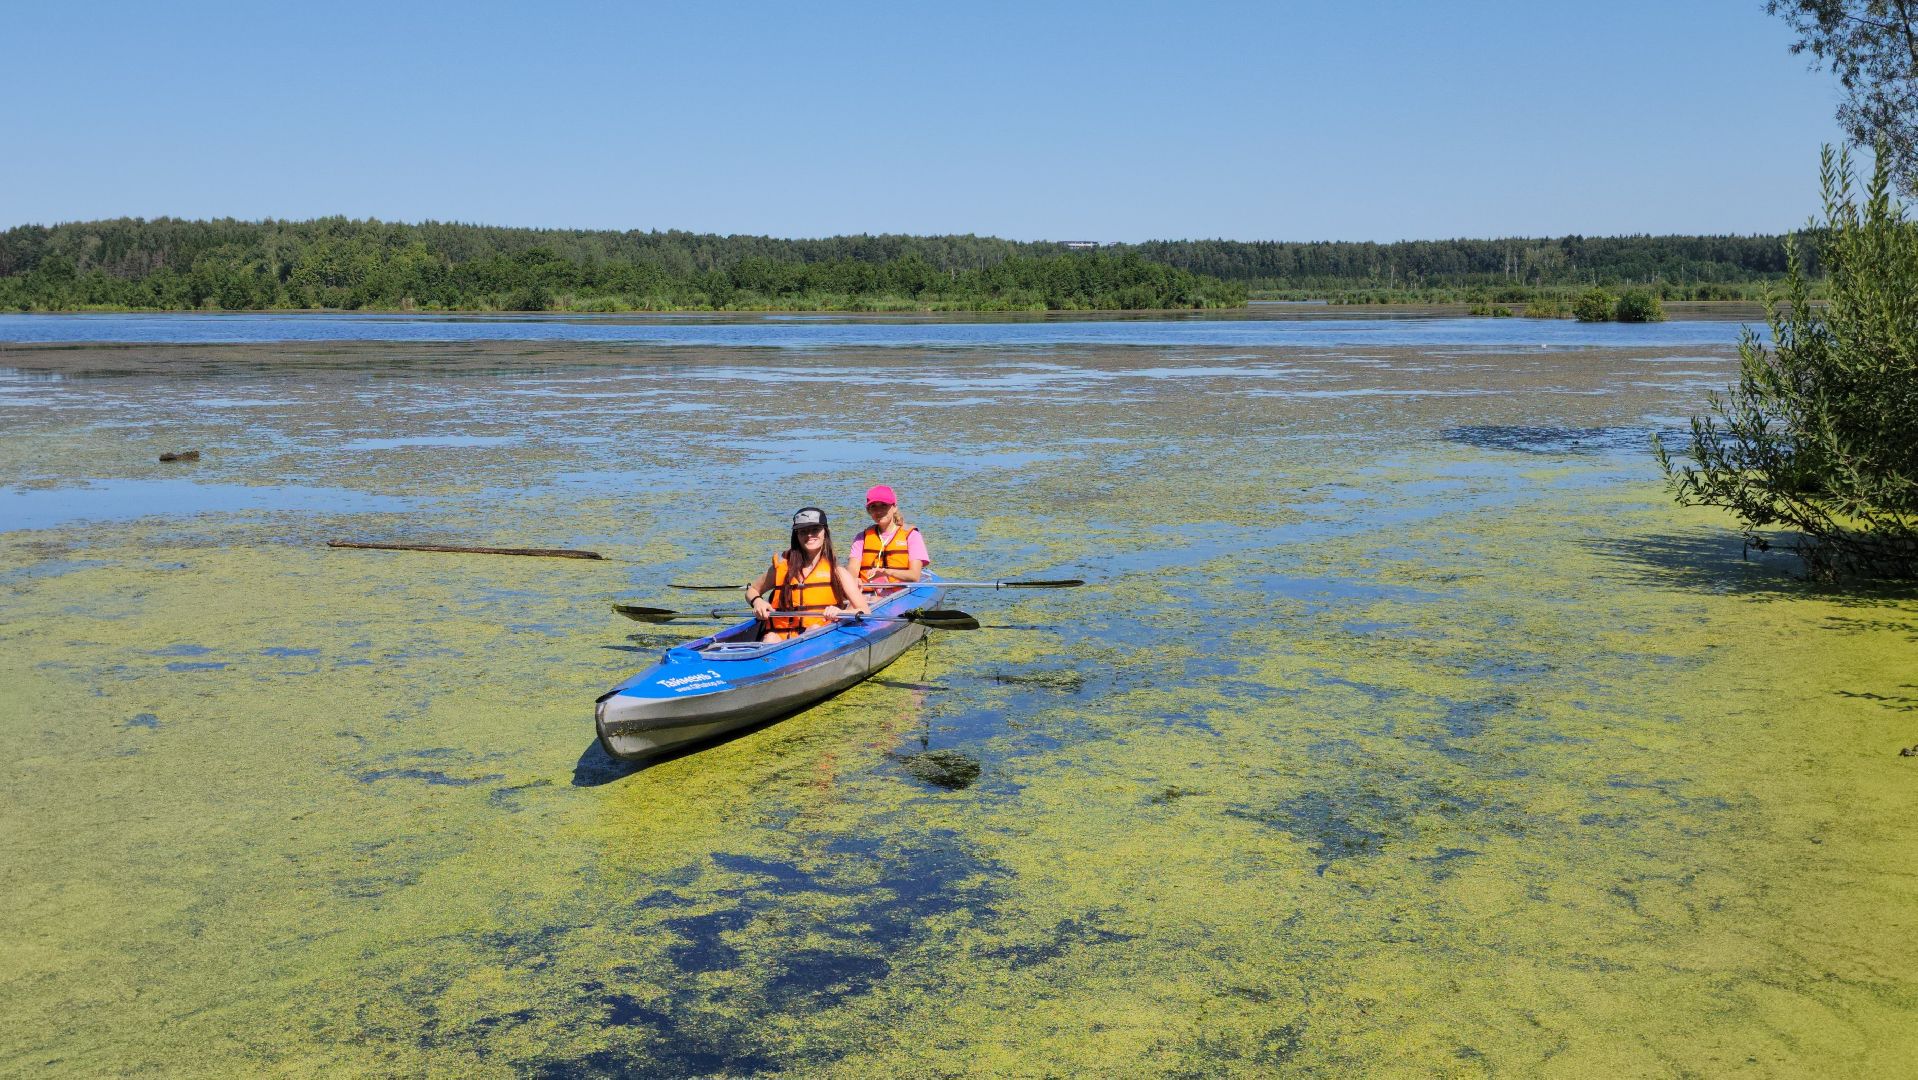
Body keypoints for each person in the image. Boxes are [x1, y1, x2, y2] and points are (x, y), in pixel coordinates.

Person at [745, 507, 869, 642]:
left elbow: (864, 610)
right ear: (796, 536)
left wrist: (841, 613)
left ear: (825, 533)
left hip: (817, 637)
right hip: (780, 639)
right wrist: (757, 602)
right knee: (770, 638)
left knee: (814, 630)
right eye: (803, 531)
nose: (809, 535)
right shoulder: (781, 568)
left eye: (815, 529)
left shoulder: (838, 572)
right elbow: (752, 590)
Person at [847, 484, 930, 590]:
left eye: (883, 505)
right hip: (867, 595)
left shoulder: (912, 535)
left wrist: (887, 572)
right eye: (873, 507)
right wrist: (852, 579)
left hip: (899, 594)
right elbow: (852, 568)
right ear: (869, 511)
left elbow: (914, 575)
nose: (878, 511)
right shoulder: (861, 537)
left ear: (894, 508)